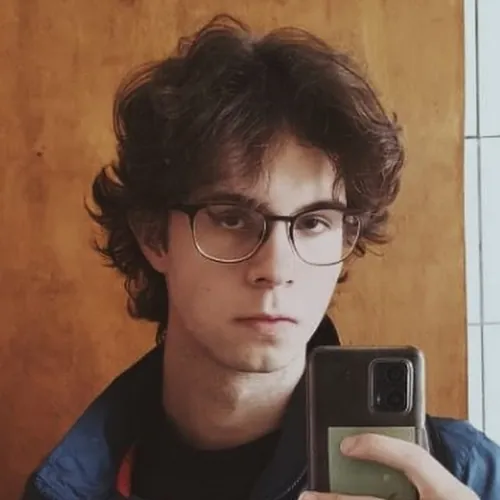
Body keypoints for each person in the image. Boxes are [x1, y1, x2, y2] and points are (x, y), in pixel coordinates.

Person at [22, 14, 499, 500]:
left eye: (313, 223)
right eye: (232, 219)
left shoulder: (465, 475)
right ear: (154, 236)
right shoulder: (70, 487)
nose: (275, 269)